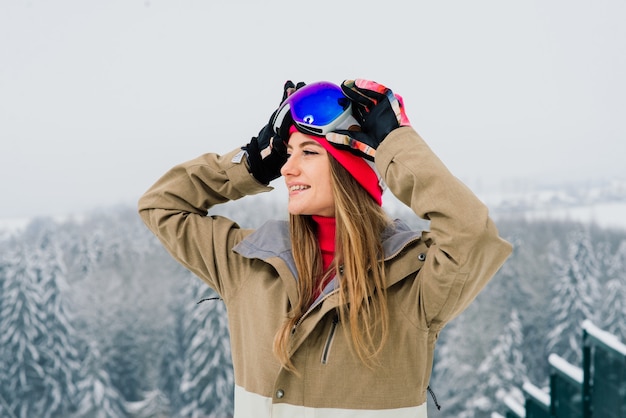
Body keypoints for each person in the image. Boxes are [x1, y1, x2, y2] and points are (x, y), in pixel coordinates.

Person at [138, 79, 513, 417]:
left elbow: (472, 233)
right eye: (287, 153)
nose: (286, 168)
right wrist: (251, 162)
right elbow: (162, 205)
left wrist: (395, 145)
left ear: (352, 169)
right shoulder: (248, 263)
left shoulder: (413, 279)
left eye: (309, 153)